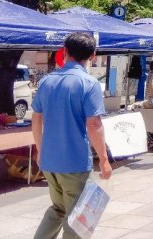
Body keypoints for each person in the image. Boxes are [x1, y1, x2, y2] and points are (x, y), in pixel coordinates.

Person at [31, 32, 111, 239]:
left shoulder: (46, 81)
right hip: (73, 160)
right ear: (93, 55)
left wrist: (40, 149)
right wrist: (103, 159)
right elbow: (94, 123)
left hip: (50, 160)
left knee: (58, 208)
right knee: (78, 215)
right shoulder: (89, 83)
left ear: (64, 52)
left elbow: (37, 118)